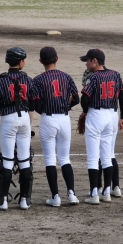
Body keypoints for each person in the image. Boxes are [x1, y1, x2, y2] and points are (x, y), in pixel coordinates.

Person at [0, 47, 37, 211]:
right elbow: (32, 105)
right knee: (24, 160)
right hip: (24, 119)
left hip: (8, 119)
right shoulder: (28, 80)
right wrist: (28, 123)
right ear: (20, 62)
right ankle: (25, 201)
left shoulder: (0, 81)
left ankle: (3, 202)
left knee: (7, 160)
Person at [32, 47, 80, 207]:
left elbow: (35, 104)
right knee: (65, 158)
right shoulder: (66, 77)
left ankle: (55, 197)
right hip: (64, 119)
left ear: (41, 61)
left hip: (48, 119)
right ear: (57, 59)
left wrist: (44, 110)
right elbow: (76, 99)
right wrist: (66, 106)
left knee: (50, 159)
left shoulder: (38, 80)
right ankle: (72, 194)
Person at [79, 49, 123, 204]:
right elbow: (121, 97)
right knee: (107, 156)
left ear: (95, 61)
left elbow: (84, 99)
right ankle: (107, 191)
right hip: (112, 116)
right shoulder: (115, 75)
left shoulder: (93, 77)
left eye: (88, 61)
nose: (86, 64)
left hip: (96, 116)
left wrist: (85, 112)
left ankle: (94, 194)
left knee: (93, 158)